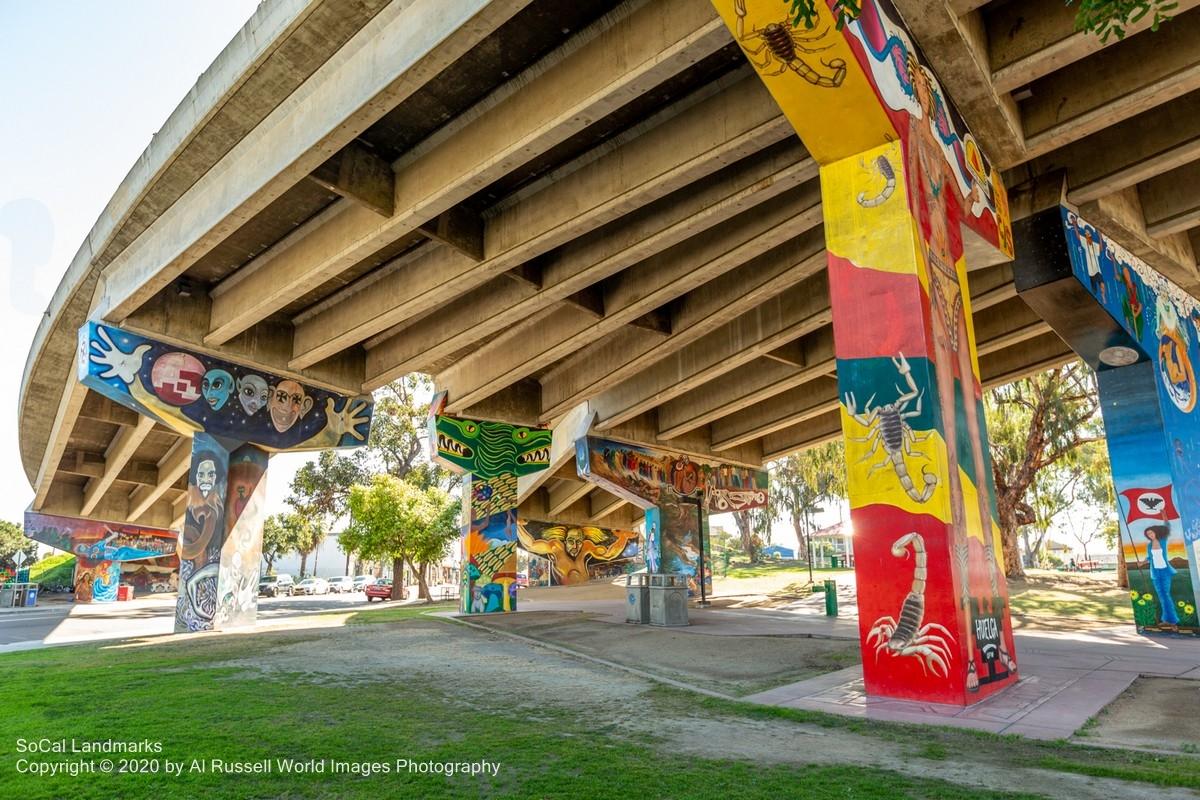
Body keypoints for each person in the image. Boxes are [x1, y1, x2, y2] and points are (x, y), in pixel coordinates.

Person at [1144, 525, 1180, 626]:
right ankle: (1166, 620)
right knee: (1161, 596)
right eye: (1148, 534)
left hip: (1165, 571)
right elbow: (1150, 557)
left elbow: (1168, 526)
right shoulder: (1149, 546)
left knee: (1166, 594)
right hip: (1155, 573)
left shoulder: (1163, 540)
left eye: (1151, 532)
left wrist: (1164, 516)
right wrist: (1142, 562)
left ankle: (1173, 621)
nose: (1150, 535)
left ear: (1155, 532)